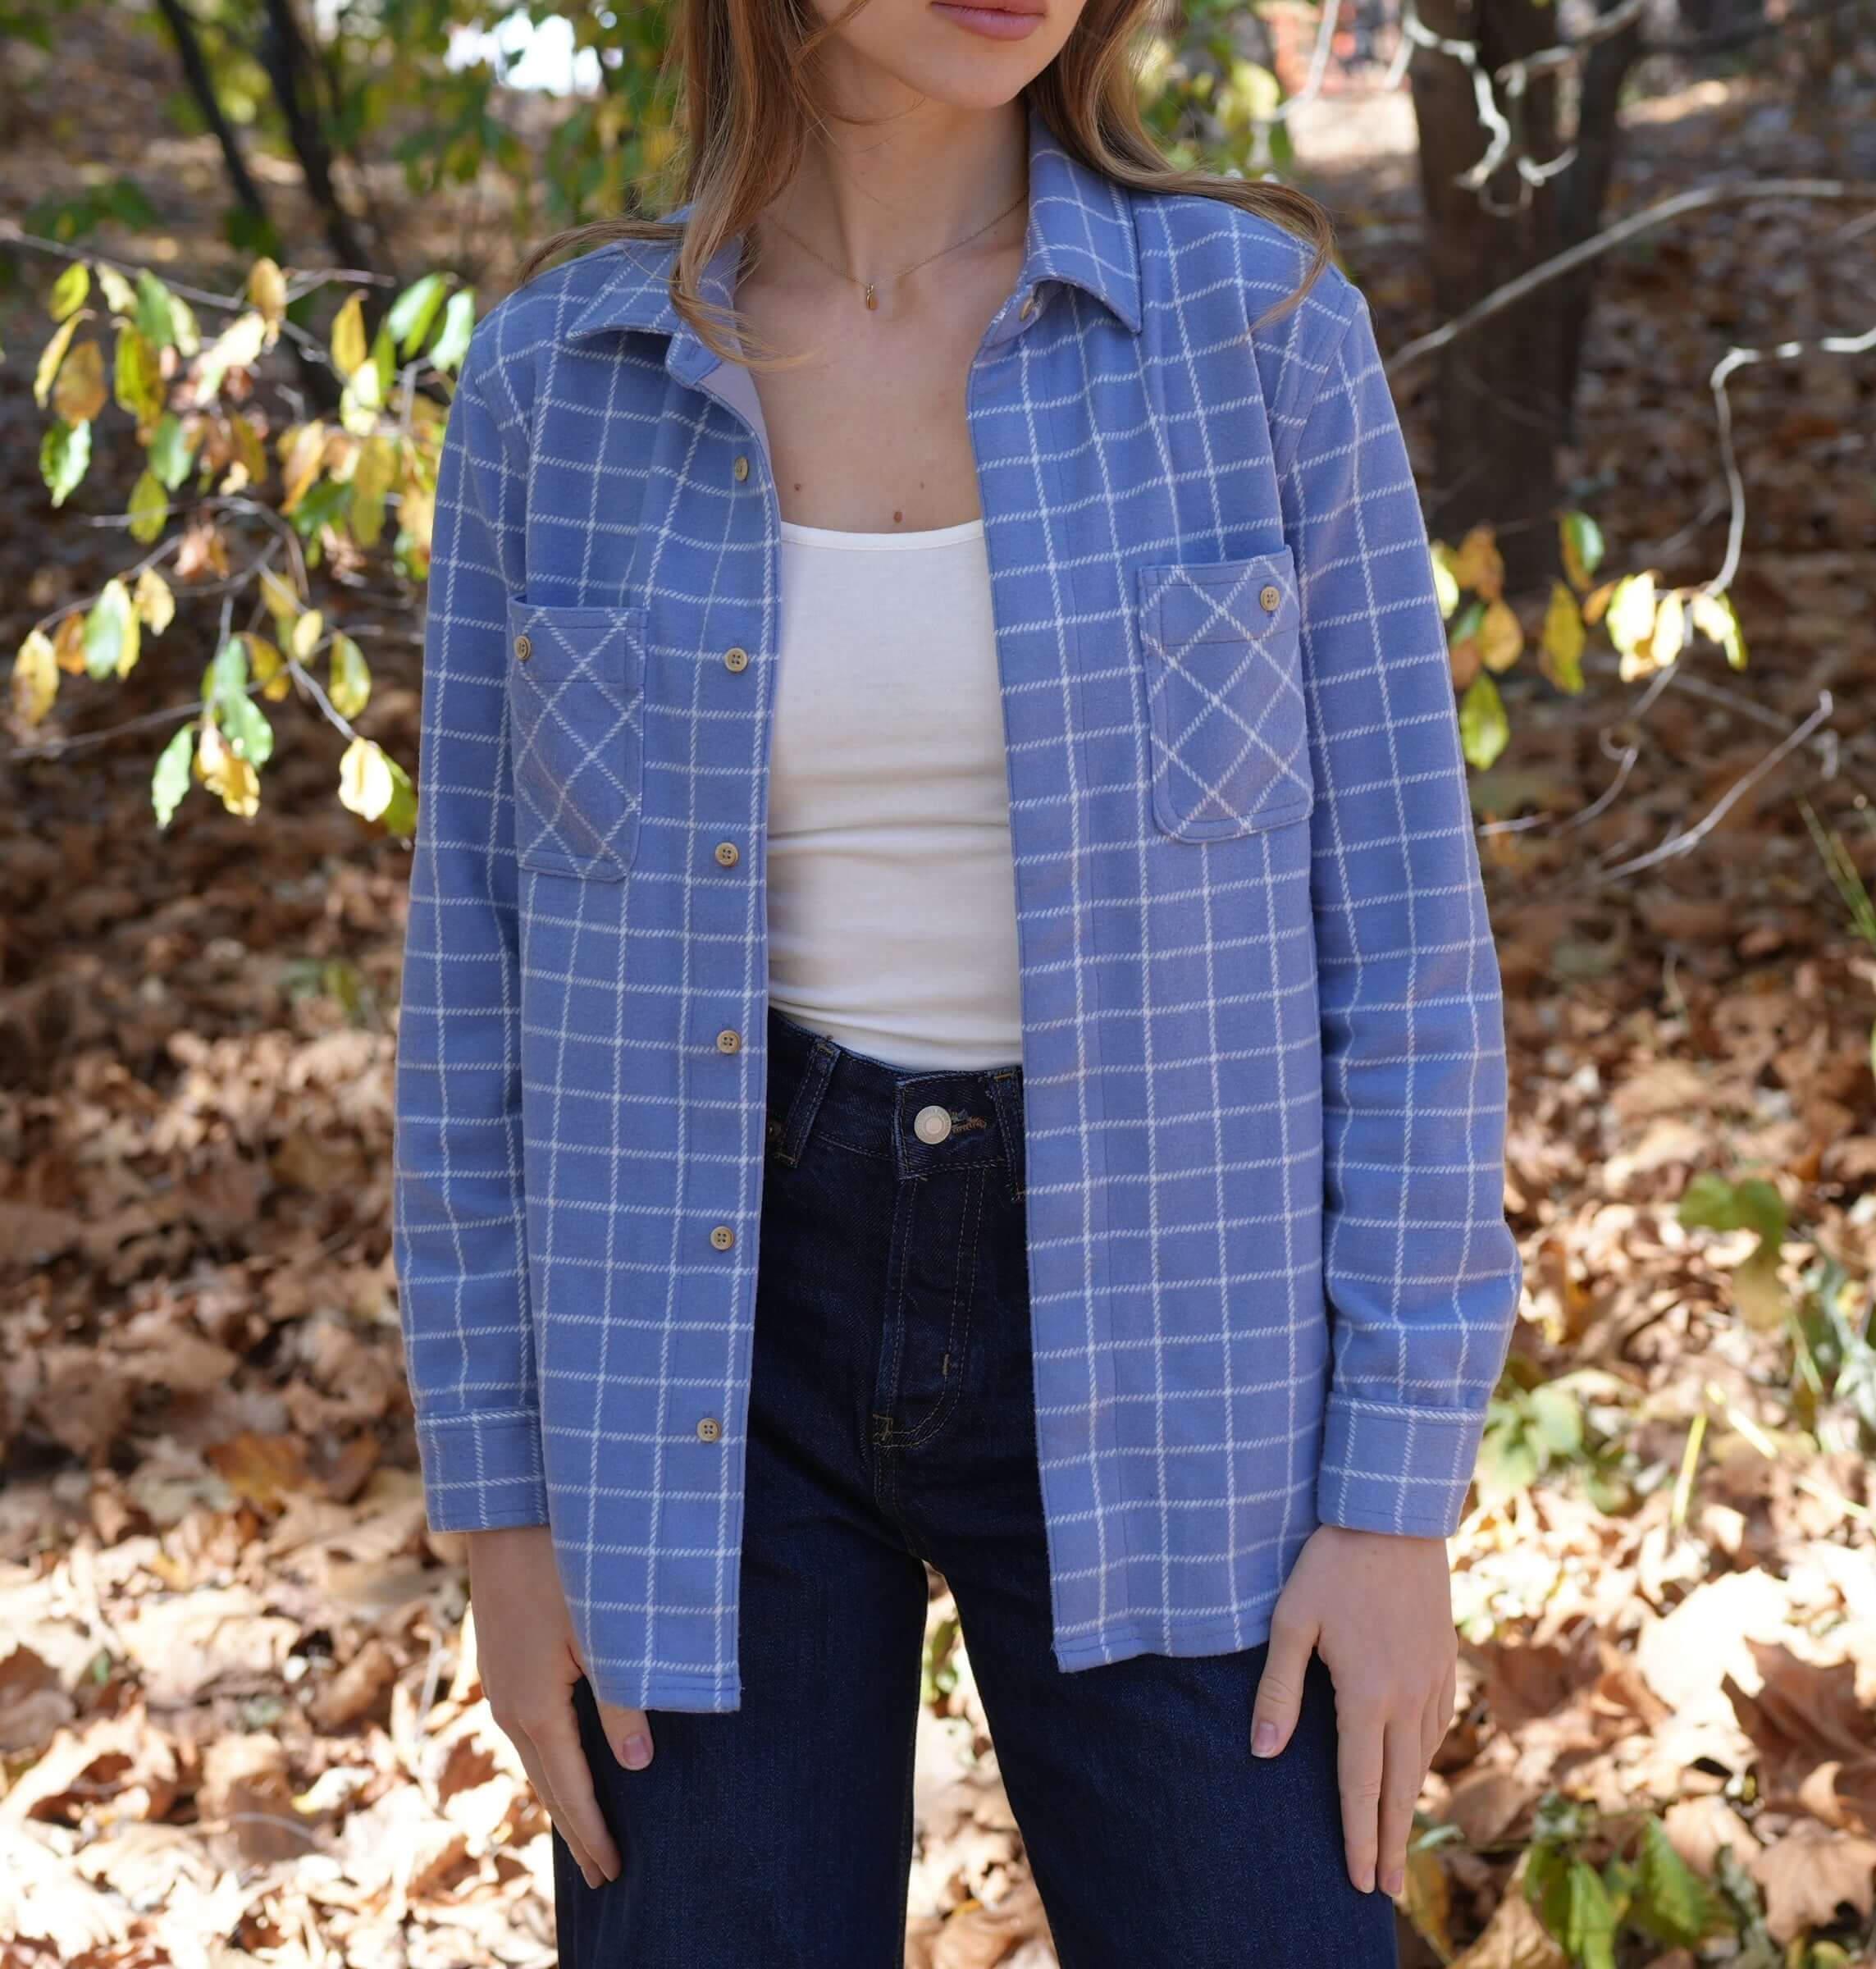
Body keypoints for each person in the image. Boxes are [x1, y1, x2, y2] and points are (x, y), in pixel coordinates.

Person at [392, 0, 1523, 1957]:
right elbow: (471, 996)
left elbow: (1412, 951)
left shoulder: (1254, 340)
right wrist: (501, 1519)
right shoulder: (554, 387)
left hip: (1186, 1342)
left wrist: (1396, 1499)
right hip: (702, 1358)